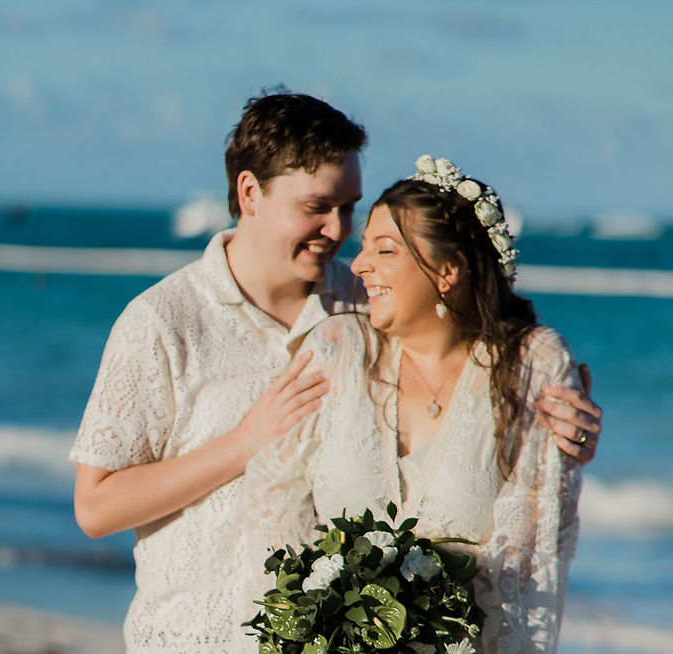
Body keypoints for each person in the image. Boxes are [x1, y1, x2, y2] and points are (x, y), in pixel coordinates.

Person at [70, 93, 600, 653]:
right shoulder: (163, 321)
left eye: (349, 207)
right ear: (250, 193)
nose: (337, 228)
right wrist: (244, 443)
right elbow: (96, 506)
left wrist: (554, 435)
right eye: (317, 206)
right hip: (188, 641)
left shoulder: (362, 305)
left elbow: (459, 394)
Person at [240, 155, 587, 652]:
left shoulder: (532, 365)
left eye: (385, 250)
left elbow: (528, 570)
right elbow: (275, 510)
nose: (358, 265)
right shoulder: (336, 350)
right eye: (363, 249)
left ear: (448, 271)